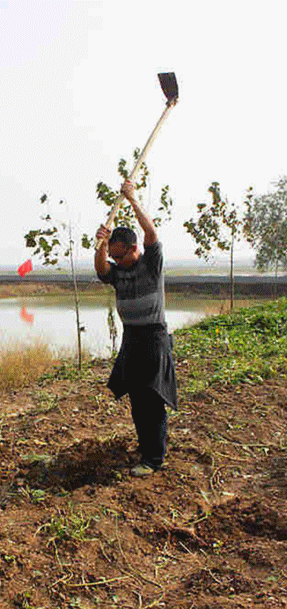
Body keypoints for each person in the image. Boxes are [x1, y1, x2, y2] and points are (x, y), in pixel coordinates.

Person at [95, 180, 177, 476]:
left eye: (120, 255)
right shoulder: (118, 271)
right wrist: (101, 243)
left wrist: (132, 199)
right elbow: (101, 269)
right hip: (132, 339)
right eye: (113, 256)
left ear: (134, 249)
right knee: (137, 398)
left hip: (153, 337)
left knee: (152, 399)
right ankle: (147, 450)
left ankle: (154, 459)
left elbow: (151, 233)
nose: (116, 261)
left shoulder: (151, 264)